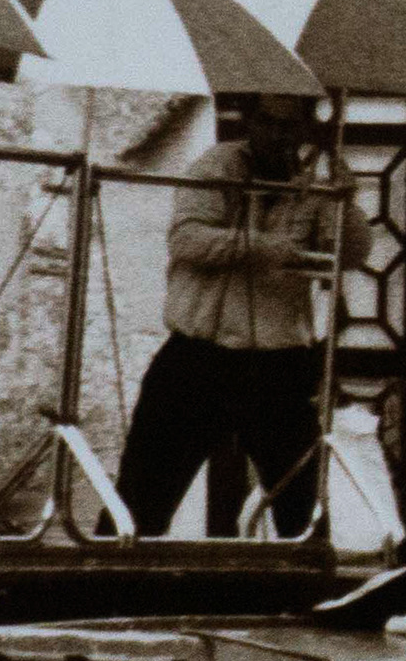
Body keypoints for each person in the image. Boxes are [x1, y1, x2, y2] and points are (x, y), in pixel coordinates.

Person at [114, 96, 332, 536]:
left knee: (300, 506)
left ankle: (305, 595)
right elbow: (188, 240)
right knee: (144, 495)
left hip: (278, 361)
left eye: (289, 127)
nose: (277, 136)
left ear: (304, 131)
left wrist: (343, 200)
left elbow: (348, 252)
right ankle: (109, 588)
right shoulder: (216, 167)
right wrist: (263, 247)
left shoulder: (313, 182)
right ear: (251, 123)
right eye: (268, 122)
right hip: (202, 355)